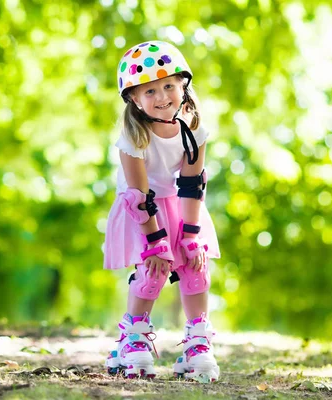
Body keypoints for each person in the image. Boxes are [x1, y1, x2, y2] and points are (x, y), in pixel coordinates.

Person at [103, 40, 221, 381]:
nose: (162, 96)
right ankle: (134, 338)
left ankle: (198, 342)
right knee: (153, 269)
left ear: (183, 84)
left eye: (168, 85)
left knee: (194, 265)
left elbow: (191, 181)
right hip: (140, 209)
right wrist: (155, 241)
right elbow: (139, 193)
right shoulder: (133, 134)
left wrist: (191, 235)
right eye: (150, 91)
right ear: (135, 100)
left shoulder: (193, 127)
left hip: (182, 203)